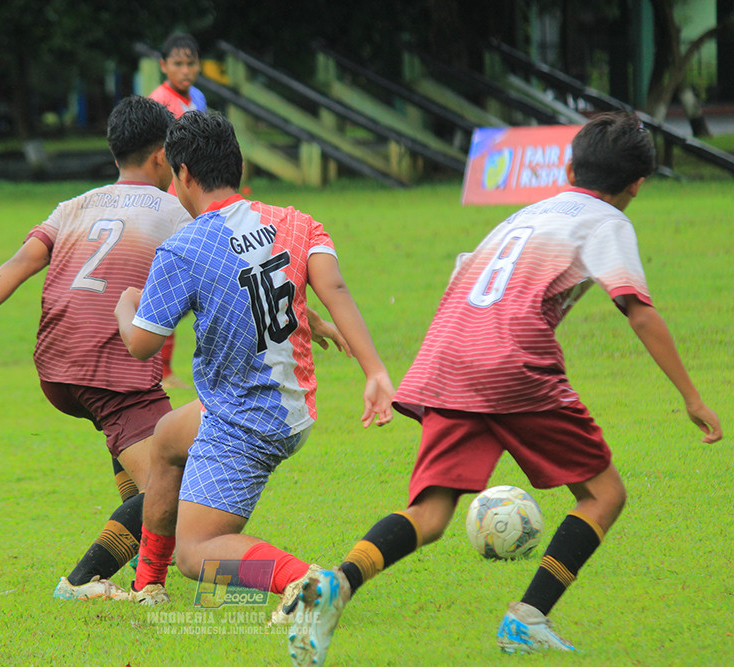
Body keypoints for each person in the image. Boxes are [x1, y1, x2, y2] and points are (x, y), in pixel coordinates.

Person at [286, 111, 723, 666]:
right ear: (637, 185)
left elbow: (462, 275)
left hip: (448, 354)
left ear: (570, 168)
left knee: (431, 514)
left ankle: (337, 582)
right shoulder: (607, 221)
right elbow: (637, 309)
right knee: (604, 494)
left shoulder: (528, 213)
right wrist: (692, 397)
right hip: (512, 359)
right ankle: (528, 619)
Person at [114, 111, 395, 607]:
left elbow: (141, 345)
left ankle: (309, 582)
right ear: (237, 165)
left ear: (182, 174)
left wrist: (125, 305)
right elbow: (330, 287)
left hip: (245, 419)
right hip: (292, 404)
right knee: (168, 437)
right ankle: (147, 584)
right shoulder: (296, 222)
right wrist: (374, 370)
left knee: (196, 553)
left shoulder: (183, 249)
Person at [0, 95, 190, 602]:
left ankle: (143, 540)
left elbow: (21, 262)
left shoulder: (75, 206)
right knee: (175, 482)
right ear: (162, 157)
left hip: (56, 369)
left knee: (137, 450)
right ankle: (82, 579)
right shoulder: (175, 212)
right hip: (110, 373)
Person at [147, 32, 208, 389]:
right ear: (163, 65)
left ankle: (167, 369)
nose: (185, 70)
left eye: (191, 63)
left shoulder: (197, 97)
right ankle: (161, 371)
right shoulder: (159, 102)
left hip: (195, 201)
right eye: (178, 63)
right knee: (168, 284)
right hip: (170, 204)